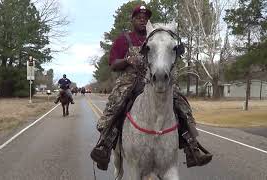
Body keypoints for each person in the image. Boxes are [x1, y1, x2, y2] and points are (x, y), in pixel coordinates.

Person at [90, 5, 212, 171]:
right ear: (132, 20)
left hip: (155, 78)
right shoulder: (124, 39)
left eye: (145, 17)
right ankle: (105, 145)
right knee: (116, 104)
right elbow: (113, 64)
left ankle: (193, 146)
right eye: (138, 17)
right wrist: (127, 61)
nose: (142, 19)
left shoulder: (158, 37)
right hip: (131, 79)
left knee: (181, 104)